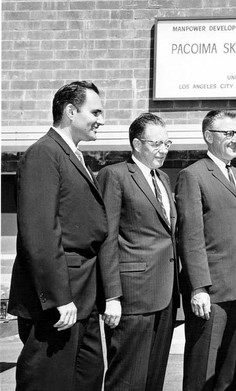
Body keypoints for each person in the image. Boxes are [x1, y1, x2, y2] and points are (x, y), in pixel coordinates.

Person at [8, 81, 107, 391]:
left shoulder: (74, 156)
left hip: (85, 293)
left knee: (87, 376)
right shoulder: (43, 154)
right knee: (48, 380)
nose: (101, 120)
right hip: (60, 297)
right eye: (95, 112)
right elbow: (39, 232)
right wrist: (58, 297)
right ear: (69, 111)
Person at [97, 113, 179, 391]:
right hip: (132, 297)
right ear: (136, 144)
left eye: (167, 143)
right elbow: (107, 238)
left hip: (165, 294)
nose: (164, 149)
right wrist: (111, 296)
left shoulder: (164, 178)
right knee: (127, 380)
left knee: (153, 380)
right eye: (156, 143)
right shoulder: (115, 175)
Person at [175, 110, 236, 391]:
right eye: (229, 133)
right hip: (210, 293)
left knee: (226, 374)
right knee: (202, 371)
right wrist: (198, 288)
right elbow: (190, 236)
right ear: (209, 136)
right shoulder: (192, 175)